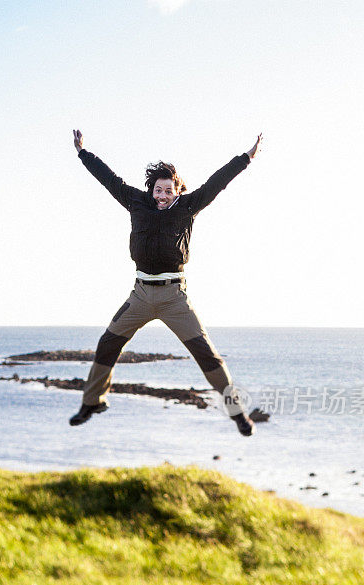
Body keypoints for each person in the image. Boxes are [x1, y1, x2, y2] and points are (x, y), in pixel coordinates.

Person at [69, 129, 262, 436]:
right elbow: (109, 179)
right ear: (151, 189)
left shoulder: (188, 207)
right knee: (107, 344)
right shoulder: (136, 202)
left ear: (176, 190)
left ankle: (237, 411)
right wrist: (83, 153)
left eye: (167, 191)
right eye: (158, 190)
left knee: (207, 354)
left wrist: (246, 158)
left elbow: (217, 183)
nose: (162, 196)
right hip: (141, 295)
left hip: (175, 297)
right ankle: (93, 401)